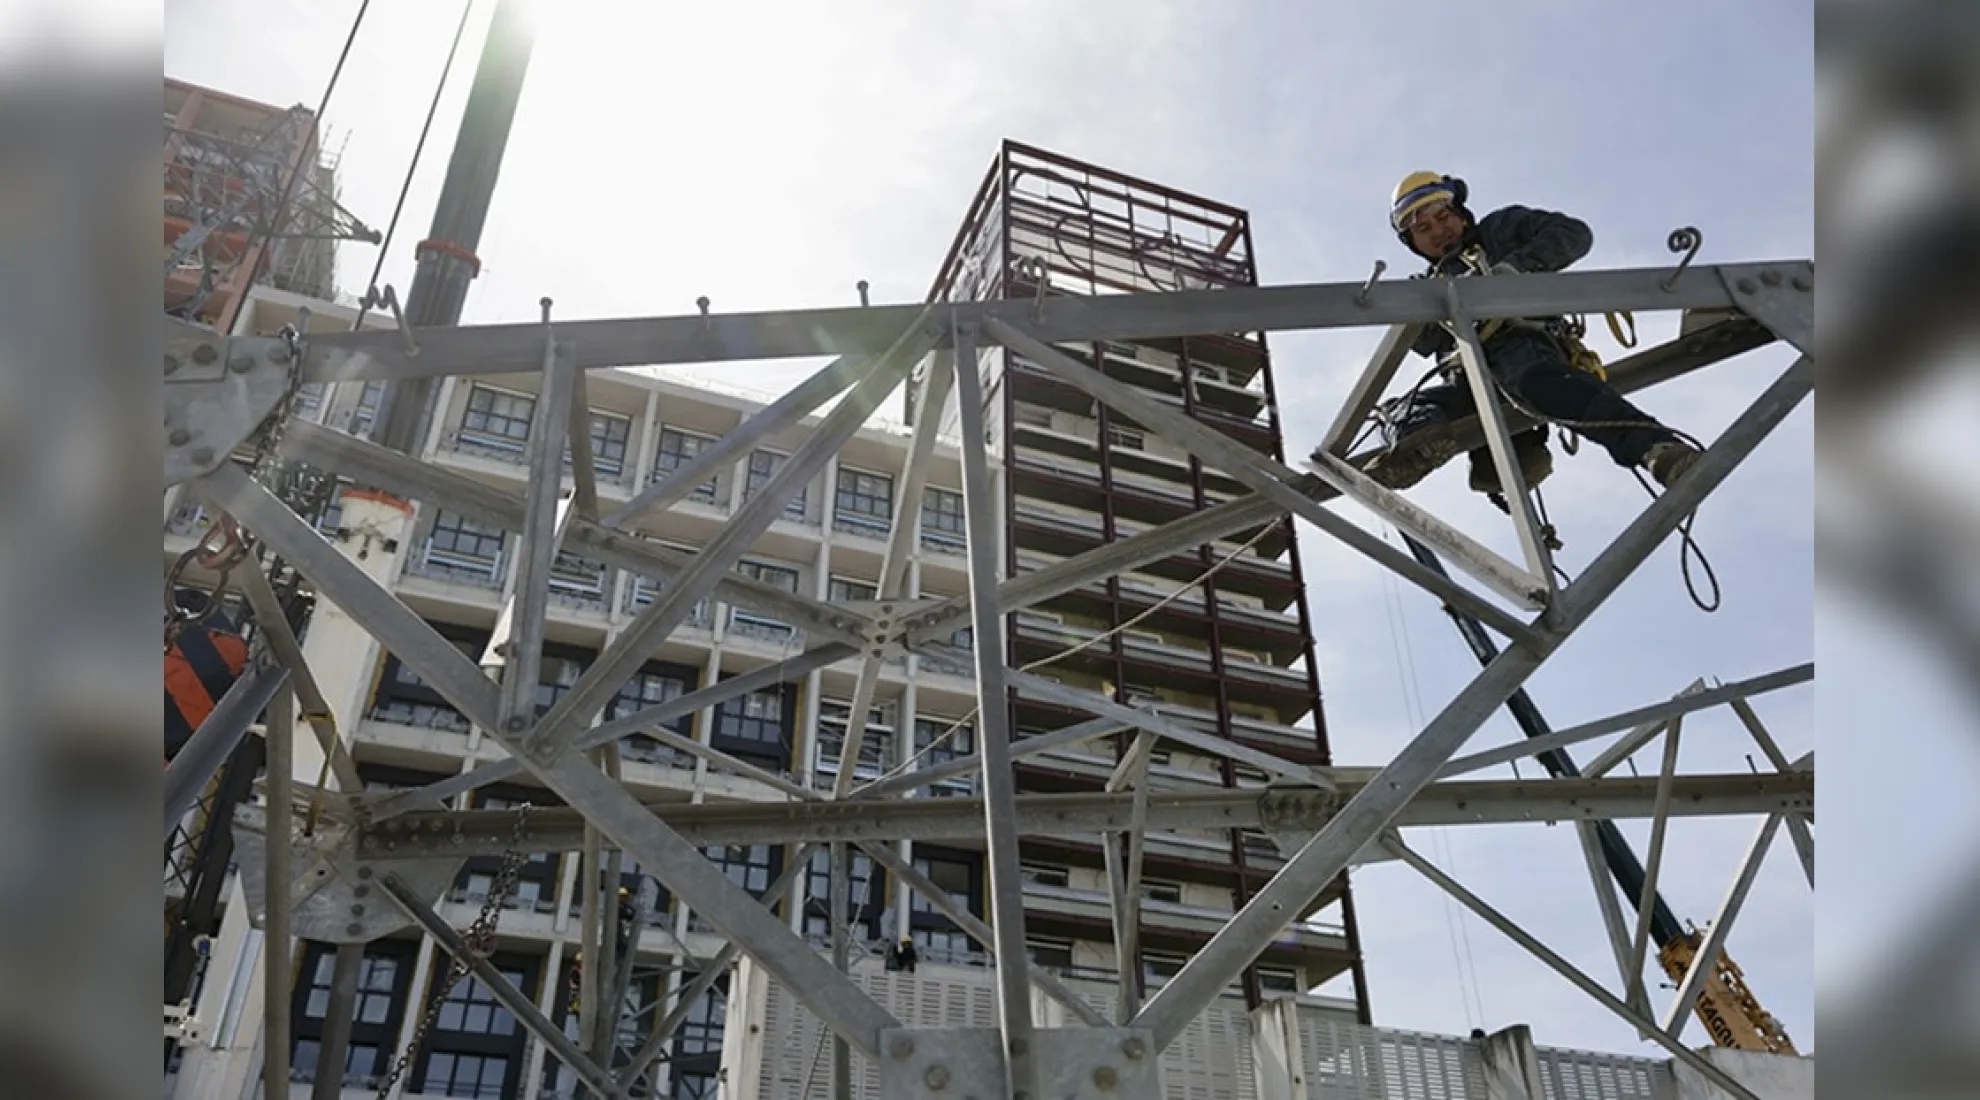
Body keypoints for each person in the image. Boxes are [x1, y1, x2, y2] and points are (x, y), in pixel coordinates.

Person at [1332, 172, 1703, 495]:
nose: (1438, 232)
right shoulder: (1427, 285)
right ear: (1412, 243)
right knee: (1401, 409)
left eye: (1442, 217)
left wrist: (1514, 269)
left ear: (1459, 212)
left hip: (1522, 347)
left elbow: (1573, 234)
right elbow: (1424, 341)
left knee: (1540, 383)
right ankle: (1427, 448)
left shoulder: (1498, 231)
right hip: (1471, 378)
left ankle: (1658, 450)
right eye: (1423, 230)